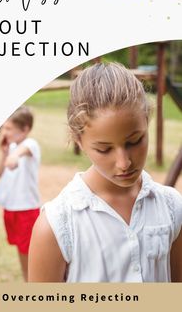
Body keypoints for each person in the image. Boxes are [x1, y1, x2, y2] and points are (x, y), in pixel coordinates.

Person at [28, 62, 182, 282]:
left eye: (135, 141)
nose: (124, 162)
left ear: (147, 122)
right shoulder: (56, 226)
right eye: (104, 149)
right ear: (78, 140)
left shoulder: (172, 207)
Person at [0, 106, 41, 281]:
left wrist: (14, 156)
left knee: (30, 253)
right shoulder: (12, 146)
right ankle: (26, 281)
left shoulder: (30, 145)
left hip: (26, 209)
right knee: (21, 252)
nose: (4, 132)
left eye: (8, 128)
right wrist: (6, 154)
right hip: (11, 208)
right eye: (4, 127)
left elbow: (24, 150)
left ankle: (31, 284)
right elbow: (1, 174)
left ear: (25, 129)